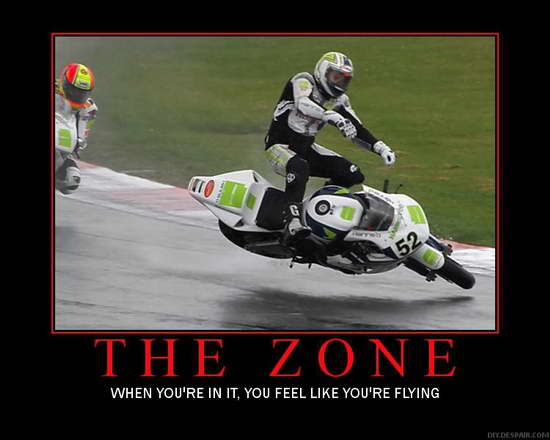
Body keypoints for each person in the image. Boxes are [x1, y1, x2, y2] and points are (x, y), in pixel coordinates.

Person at [264, 51, 396, 242]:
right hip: (279, 146)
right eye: (336, 77)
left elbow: (356, 128)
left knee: (352, 174)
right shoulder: (303, 80)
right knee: (299, 167)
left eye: (344, 80)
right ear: (322, 72)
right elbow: (303, 103)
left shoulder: (340, 100)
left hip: (307, 149)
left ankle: (320, 211)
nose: (339, 84)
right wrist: (330, 115)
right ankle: (292, 222)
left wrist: (380, 147)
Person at [55, 63, 98, 194]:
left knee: (71, 179)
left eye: (82, 92)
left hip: (61, 138)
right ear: (64, 83)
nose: (77, 95)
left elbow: (82, 136)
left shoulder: (89, 108)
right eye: (73, 90)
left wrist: (78, 142)